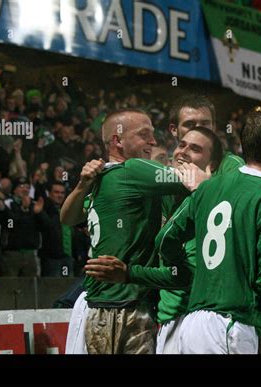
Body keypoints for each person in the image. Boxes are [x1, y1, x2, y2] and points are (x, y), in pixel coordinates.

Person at [94, 108, 261, 354]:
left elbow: (166, 238)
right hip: (231, 324)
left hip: (191, 324)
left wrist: (179, 271)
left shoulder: (206, 190)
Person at [61, 108, 207, 354]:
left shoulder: (103, 177)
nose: (153, 141)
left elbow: (68, 218)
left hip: (100, 305)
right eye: (144, 135)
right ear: (117, 140)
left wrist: (81, 184)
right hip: (129, 303)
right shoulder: (134, 169)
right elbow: (196, 183)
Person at [85, 126, 223, 354]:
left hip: (199, 322)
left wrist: (130, 273)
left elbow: (186, 276)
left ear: (212, 166)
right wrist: (83, 184)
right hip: (166, 320)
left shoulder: (211, 208)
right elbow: (72, 217)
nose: (184, 152)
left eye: (196, 149)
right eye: (181, 145)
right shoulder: (162, 196)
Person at [168, 94, 244, 174]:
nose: (199, 130)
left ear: (213, 127)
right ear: (174, 129)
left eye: (205, 124)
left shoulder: (232, 166)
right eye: (189, 124)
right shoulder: (162, 165)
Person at [0, 177, 48, 277]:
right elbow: (11, 224)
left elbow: (47, 226)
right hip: (12, 253)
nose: (25, 189)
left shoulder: (34, 205)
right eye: (21, 186)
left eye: (27, 187)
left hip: (31, 253)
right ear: (15, 189)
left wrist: (39, 213)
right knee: (10, 285)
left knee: (30, 287)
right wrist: (24, 210)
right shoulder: (7, 204)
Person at [39, 181, 74, 277]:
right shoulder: (44, 209)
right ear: (49, 194)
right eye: (56, 192)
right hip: (52, 259)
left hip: (69, 258)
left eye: (62, 193)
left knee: (70, 289)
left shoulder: (67, 209)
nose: (60, 195)